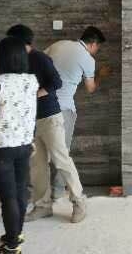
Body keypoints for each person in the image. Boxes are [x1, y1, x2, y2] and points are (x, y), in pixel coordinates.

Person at [0, 24, 87, 224]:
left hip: (50, 117)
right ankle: (42, 206)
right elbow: (2, 82)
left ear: (19, 41)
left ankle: (79, 201)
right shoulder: (17, 60)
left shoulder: (40, 58)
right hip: (29, 121)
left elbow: (56, 82)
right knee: (37, 166)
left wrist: (32, 95)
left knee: (61, 160)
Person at [0, 36, 38, 254]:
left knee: (8, 197)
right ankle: (16, 233)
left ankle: (12, 246)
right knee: (20, 191)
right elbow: (31, 111)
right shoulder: (32, 80)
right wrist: (31, 138)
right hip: (23, 144)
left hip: (0, 147)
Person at [43, 26, 109, 201]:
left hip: (41, 104)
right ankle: (57, 192)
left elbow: (39, 62)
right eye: (98, 47)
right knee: (62, 153)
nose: (96, 51)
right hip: (63, 108)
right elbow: (90, 88)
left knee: (41, 152)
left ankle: (42, 193)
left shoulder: (58, 44)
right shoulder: (88, 60)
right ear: (93, 44)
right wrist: (101, 75)